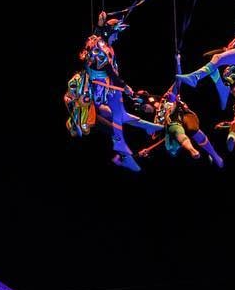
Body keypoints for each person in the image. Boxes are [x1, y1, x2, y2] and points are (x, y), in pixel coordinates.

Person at [65, 13, 163, 171]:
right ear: (110, 33)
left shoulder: (101, 43)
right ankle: (122, 153)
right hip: (95, 95)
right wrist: (126, 88)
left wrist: (100, 23)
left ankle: (145, 129)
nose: (117, 38)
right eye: (116, 34)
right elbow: (111, 73)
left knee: (119, 115)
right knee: (116, 119)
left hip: (101, 93)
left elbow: (98, 34)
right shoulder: (101, 50)